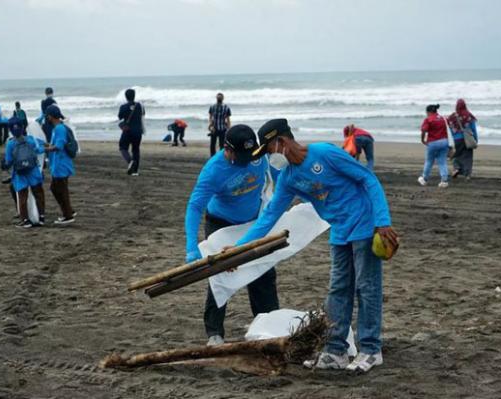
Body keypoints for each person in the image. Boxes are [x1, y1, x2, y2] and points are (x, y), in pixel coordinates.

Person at [234, 119, 398, 373]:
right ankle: (335, 351)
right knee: (338, 290)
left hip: (364, 223)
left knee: (366, 287)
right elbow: (269, 216)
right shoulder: (289, 178)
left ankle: (370, 349)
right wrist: (238, 249)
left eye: (269, 150)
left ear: (283, 142)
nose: (270, 157)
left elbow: (368, 179)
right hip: (340, 230)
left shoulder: (324, 153)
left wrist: (382, 221)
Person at [185, 125, 279, 346]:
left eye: (251, 154)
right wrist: (191, 246)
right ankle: (215, 333)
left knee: (263, 272)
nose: (249, 160)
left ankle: (268, 325)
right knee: (220, 275)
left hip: (253, 223)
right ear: (227, 150)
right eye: (243, 156)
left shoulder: (258, 156)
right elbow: (195, 206)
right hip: (221, 225)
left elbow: (278, 176)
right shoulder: (214, 170)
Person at [2, 117, 45, 228]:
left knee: (22, 197)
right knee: (39, 193)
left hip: (20, 173)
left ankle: (25, 220)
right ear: (22, 127)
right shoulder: (30, 139)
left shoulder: (10, 144)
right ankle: (41, 217)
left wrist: (5, 165)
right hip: (33, 170)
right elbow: (40, 149)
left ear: (10, 130)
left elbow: (9, 161)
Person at [44, 105, 76, 225]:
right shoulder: (58, 128)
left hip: (61, 164)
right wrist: (46, 144)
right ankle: (69, 211)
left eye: (47, 116)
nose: (46, 118)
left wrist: (45, 149)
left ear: (51, 116)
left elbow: (59, 146)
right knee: (60, 189)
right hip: (60, 163)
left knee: (59, 189)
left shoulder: (59, 129)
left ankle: (68, 215)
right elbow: (55, 144)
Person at [418, 104, 451, 188]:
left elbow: (424, 130)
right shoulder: (444, 118)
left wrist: (422, 140)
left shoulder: (428, 119)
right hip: (444, 141)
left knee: (429, 161)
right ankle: (444, 180)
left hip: (433, 142)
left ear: (428, 112)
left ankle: (424, 179)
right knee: (442, 162)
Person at [447, 99, 478, 179]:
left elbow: (449, 129)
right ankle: (467, 174)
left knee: (456, 155)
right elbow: (473, 129)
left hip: (456, 139)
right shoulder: (468, 115)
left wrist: (450, 139)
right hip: (467, 140)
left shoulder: (452, 116)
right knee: (467, 157)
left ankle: (456, 169)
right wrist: (475, 139)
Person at [118, 88, 145, 176]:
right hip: (138, 130)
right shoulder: (140, 106)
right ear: (134, 96)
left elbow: (120, 117)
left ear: (126, 97)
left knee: (123, 147)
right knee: (136, 150)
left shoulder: (123, 107)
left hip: (128, 130)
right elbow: (143, 115)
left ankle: (130, 162)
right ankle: (135, 171)